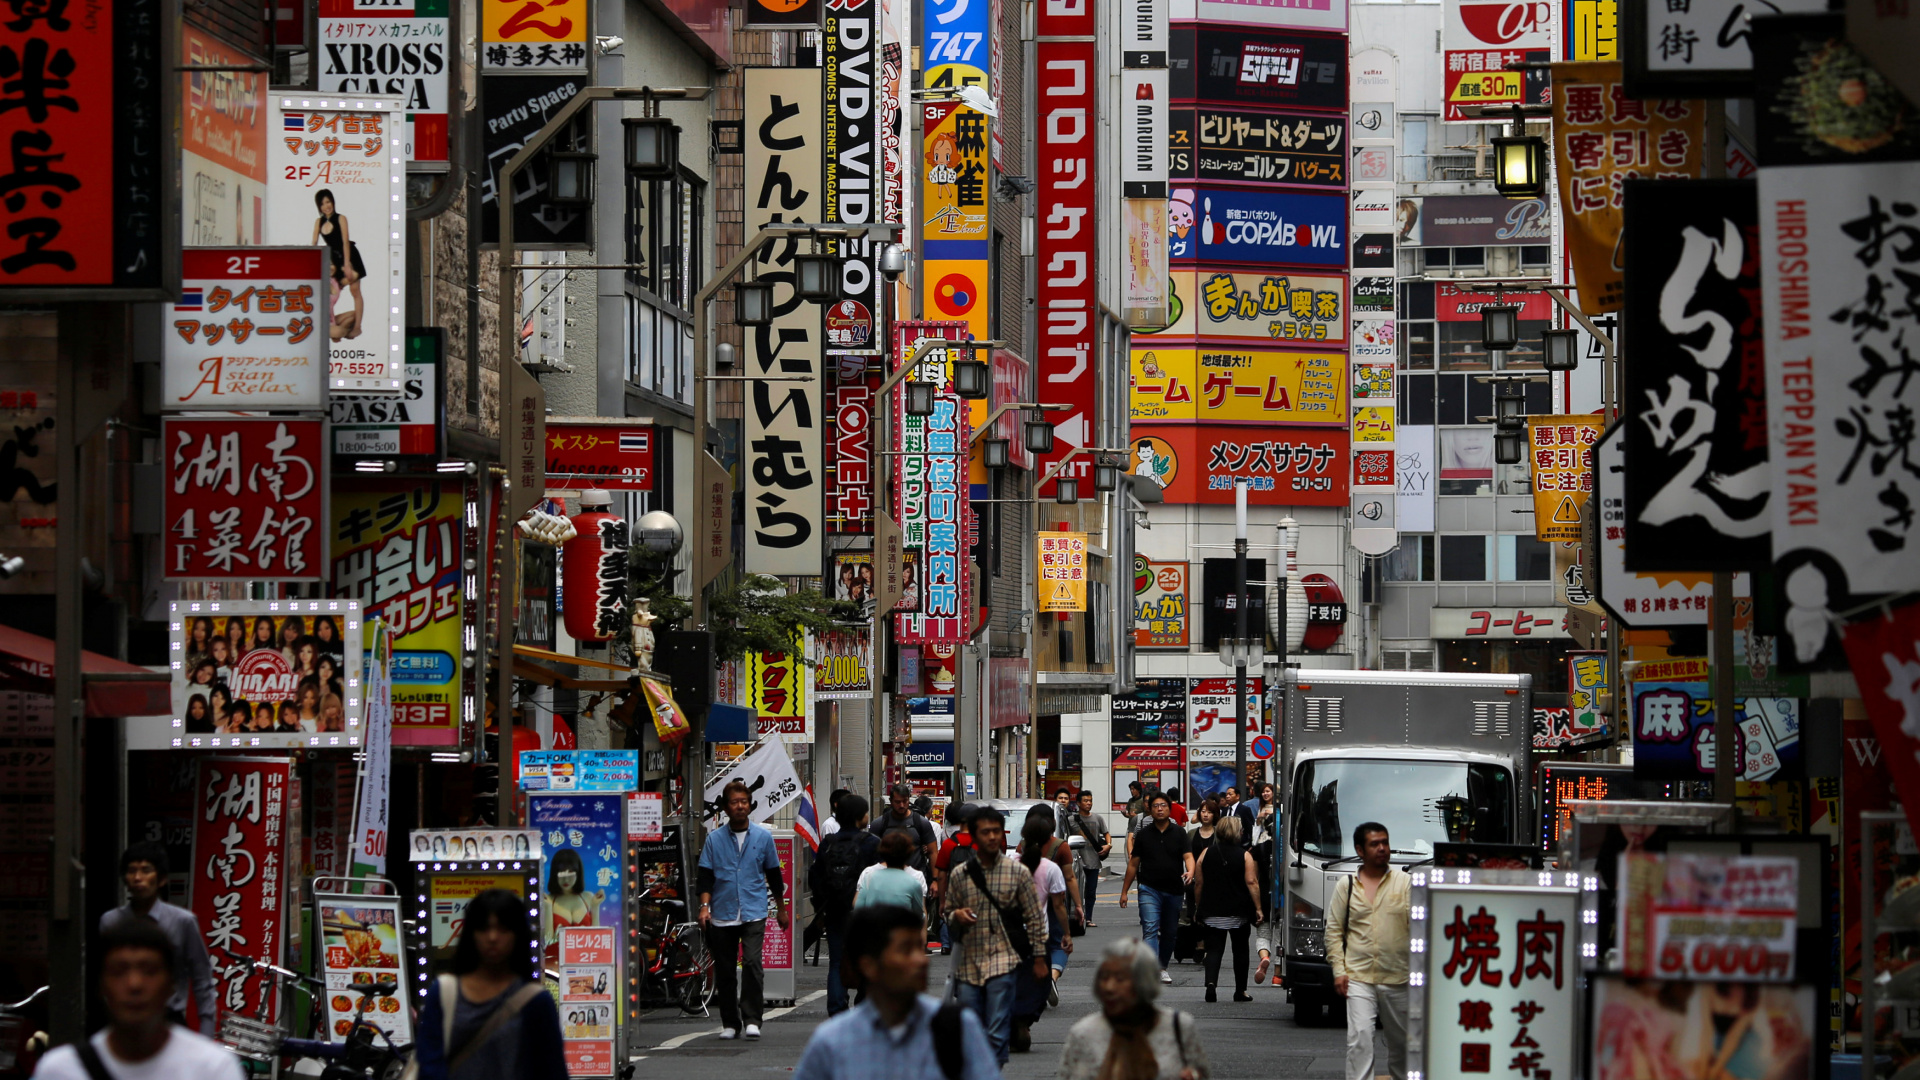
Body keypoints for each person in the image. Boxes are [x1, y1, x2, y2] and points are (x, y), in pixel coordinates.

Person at [790, 904, 999, 1080]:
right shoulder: (832, 1043)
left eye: (920, 948)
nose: (921, 961)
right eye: (906, 950)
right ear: (869, 965)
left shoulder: (960, 1028)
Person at [32, 920, 242, 1080]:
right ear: (100, 984)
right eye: (119, 971)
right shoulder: (60, 1071)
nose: (134, 984)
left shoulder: (213, 1069)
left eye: (149, 971)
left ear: (172, 984)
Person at [412, 888, 567, 1080]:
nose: (493, 937)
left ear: (518, 934)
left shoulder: (536, 1001)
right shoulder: (444, 992)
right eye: (484, 928)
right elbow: (429, 1065)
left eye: (503, 929)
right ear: (471, 934)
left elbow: (552, 1070)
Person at [943, 806, 1047, 1067]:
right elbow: (947, 912)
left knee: (998, 1024)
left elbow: (1034, 918)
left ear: (1003, 836)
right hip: (969, 962)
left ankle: (992, 1069)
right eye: (985, 832)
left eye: (996, 832)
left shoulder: (1018, 873)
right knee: (971, 1023)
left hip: (1004, 959)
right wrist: (958, 915)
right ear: (974, 837)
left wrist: (1039, 958)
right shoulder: (960, 875)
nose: (991, 837)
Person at [698, 780, 790, 1040]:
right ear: (726, 808)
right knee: (725, 970)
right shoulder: (714, 839)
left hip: (754, 910)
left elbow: (773, 875)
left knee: (751, 962)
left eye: (744, 802)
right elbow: (705, 876)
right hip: (722, 911)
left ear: (750, 805)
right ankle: (730, 1022)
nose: (740, 806)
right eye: (734, 802)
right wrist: (704, 907)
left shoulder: (762, 837)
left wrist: (781, 909)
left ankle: (752, 1019)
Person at [98, 842, 217, 1035]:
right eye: (132, 871)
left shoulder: (183, 921)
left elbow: (202, 977)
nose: (138, 878)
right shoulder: (110, 922)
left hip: (169, 1019)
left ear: (161, 879)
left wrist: (207, 1031)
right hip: (123, 1021)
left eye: (146, 870)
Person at [1325, 822, 1411, 1080]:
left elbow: (1423, 929)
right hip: (1359, 978)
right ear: (1360, 850)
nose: (1383, 849)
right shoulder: (1346, 885)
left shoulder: (1406, 883)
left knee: (1404, 1046)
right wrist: (1339, 971)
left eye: (1385, 843)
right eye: (1375, 844)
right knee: (1359, 1040)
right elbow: (1333, 931)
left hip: (1400, 978)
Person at [1057, 937, 1212, 1080]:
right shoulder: (1083, 1033)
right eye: (1104, 978)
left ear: (1144, 982)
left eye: (1120, 979)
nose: (1110, 987)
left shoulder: (1179, 1027)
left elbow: (1201, 1073)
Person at [1010, 815, 1073, 1053]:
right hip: (1040, 935)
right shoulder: (1051, 869)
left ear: (1023, 837)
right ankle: (1025, 1020)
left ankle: (1012, 1018)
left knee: (1011, 979)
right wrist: (1066, 934)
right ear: (1050, 838)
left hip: (1011, 934)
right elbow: (1058, 906)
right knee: (1037, 982)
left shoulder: (1010, 863)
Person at [814, 794, 879, 1015]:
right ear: (861, 817)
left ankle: (837, 1009)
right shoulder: (872, 843)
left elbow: (816, 876)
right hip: (865, 913)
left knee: (836, 962)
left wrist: (821, 906)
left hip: (834, 911)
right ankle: (863, 1007)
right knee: (867, 960)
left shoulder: (828, 844)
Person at [1118, 793, 1193, 983]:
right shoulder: (1143, 834)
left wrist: (1191, 871)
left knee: (1169, 932)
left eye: (1163, 806)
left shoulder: (1179, 833)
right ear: (1149, 809)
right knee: (1150, 928)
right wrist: (1124, 891)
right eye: (1156, 806)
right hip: (1149, 888)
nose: (1160, 809)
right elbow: (1134, 864)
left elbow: (1188, 856)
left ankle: (1162, 966)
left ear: (1170, 809)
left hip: (1174, 890)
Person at [1192, 816, 1261, 1003]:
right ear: (1235, 832)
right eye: (1240, 830)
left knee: (1214, 949)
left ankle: (1211, 983)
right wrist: (1258, 908)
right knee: (1240, 950)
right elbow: (1251, 882)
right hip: (1238, 911)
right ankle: (1240, 991)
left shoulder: (1206, 853)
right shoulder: (1245, 855)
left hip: (1212, 910)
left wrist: (1199, 907)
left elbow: (1198, 883)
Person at [311, 189, 366, 340]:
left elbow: (345, 241)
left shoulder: (341, 218)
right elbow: (314, 243)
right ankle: (333, 325)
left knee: (355, 291)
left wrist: (347, 264)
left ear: (333, 202)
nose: (326, 206)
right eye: (322, 203)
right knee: (332, 291)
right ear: (319, 206)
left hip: (348, 256)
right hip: (333, 259)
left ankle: (357, 327)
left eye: (328, 202)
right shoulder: (319, 222)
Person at [543, 848, 604, 964]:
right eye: (561, 874)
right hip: (555, 966)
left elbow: (596, 938)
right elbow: (547, 940)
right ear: (554, 874)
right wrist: (548, 908)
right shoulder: (548, 900)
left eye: (571, 873)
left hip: (584, 963)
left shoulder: (588, 897)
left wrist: (596, 907)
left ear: (578, 873)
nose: (566, 879)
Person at [933, 805, 978, 954]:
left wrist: (942, 902)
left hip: (955, 896)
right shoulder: (981, 843)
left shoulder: (948, 844)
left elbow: (941, 875)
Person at [869, 782, 939, 876]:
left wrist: (935, 880)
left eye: (905, 801)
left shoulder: (921, 823)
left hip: (915, 878)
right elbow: (871, 853)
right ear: (891, 801)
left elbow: (933, 852)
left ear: (909, 800)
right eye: (897, 802)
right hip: (886, 878)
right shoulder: (879, 824)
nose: (901, 805)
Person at [1066, 790, 1111, 928]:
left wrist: (1108, 845)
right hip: (1077, 862)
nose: (1088, 803)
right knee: (1077, 891)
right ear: (1078, 803)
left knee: (1091, 892)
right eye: (1085, 801)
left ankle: (1088, 918)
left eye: (1090, 801)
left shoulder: (1098, 818)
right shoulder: (1071, 820)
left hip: (1093, 861)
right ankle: (1079, 915)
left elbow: (1106, 833)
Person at [855, 830, 927, 912]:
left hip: (872, 923)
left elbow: (858, 906)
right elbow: (920, 914)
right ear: (908, 853)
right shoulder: (915, 881)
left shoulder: (869, 876)